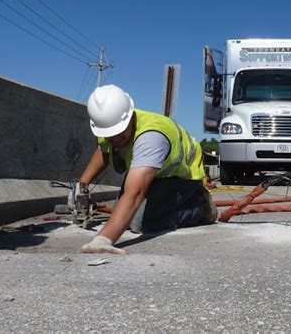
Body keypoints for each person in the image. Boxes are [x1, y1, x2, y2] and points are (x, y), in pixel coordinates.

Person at [79, 84, 218, 254]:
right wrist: (82, 185)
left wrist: (103, 240)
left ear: (130, 117)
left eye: (119, 132)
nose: (114, 138)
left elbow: (136, 193)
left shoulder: (151, 136)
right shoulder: (109, 124)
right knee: (121, 214)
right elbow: (104, 151)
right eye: (109, 135)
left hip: (181, 177)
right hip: (151, 172)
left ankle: (199, 206)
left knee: (140, 222)